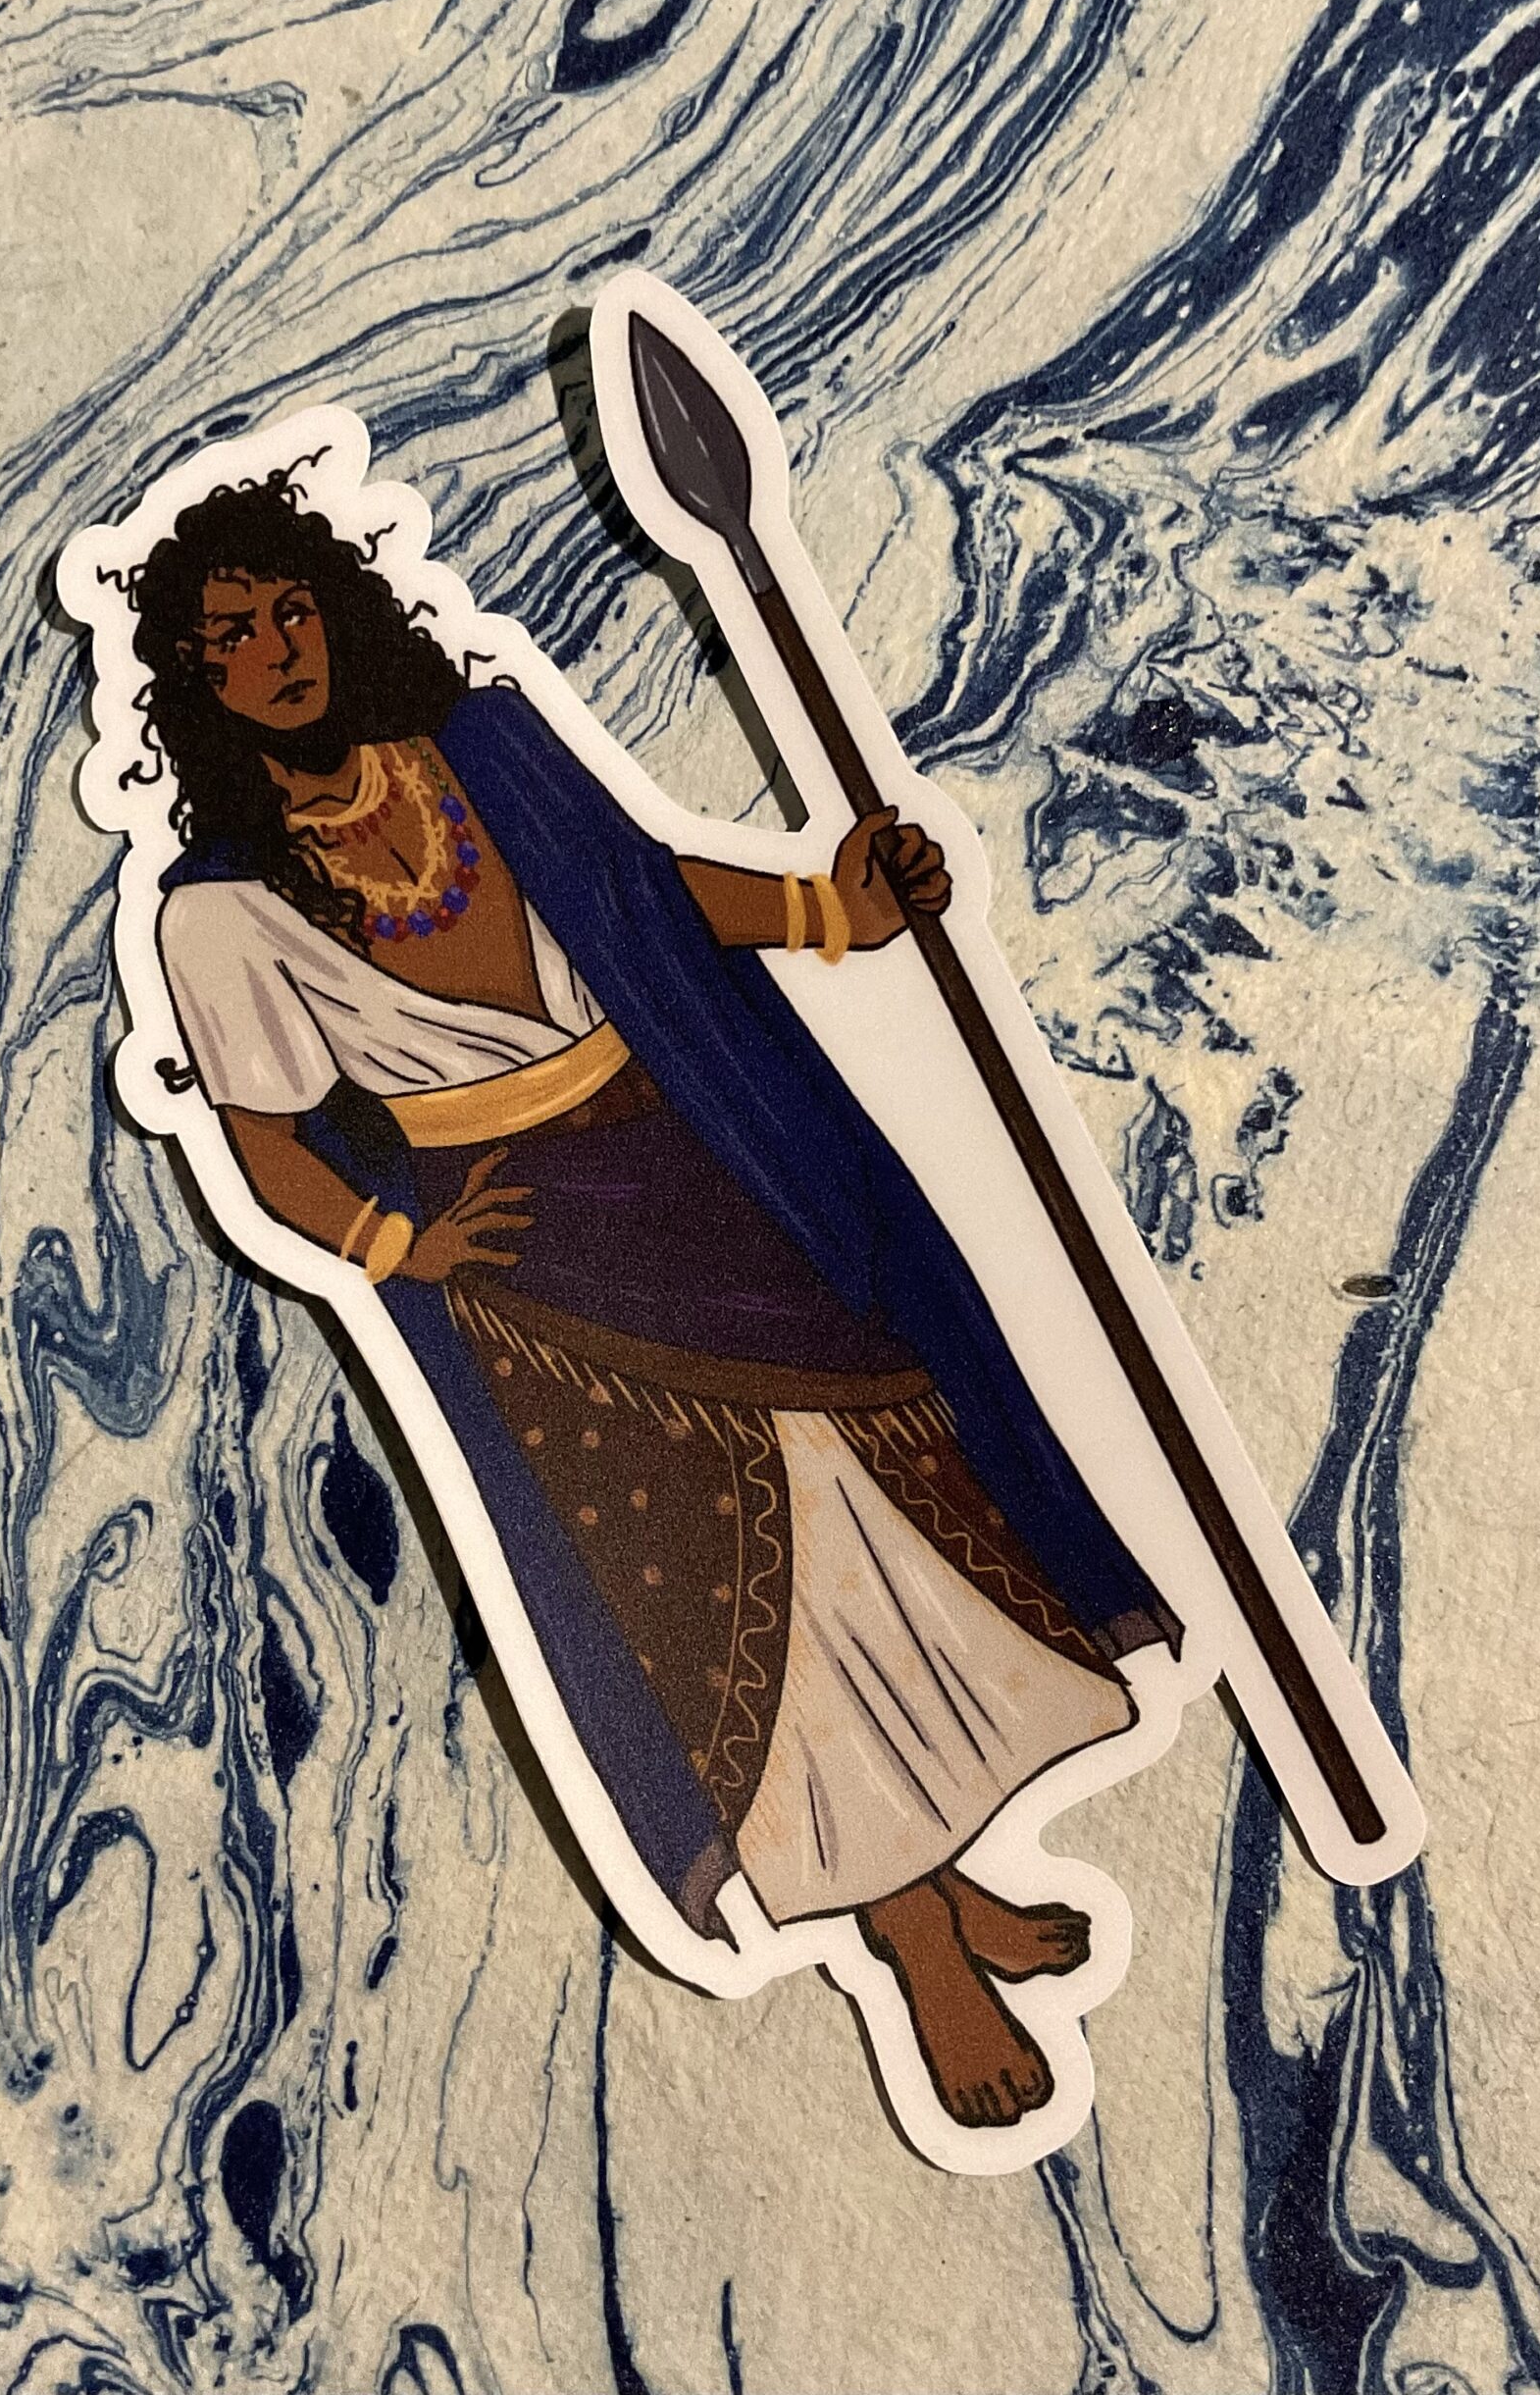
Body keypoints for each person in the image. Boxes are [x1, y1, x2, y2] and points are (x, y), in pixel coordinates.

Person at [130, 472, 1182, 2128]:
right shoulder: (218, 910)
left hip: (699, 1149)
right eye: (231, 639)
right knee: (729, 1584)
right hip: (543, 1282)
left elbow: (651, 892)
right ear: (199, 684)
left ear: (334, 608)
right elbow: (264, 1141)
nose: (274, 650)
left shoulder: (481, 752)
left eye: (288, 610)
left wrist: (832, 910)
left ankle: (941, 1880)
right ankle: (916, 1947)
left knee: (872, 1493)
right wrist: (399, 1247)